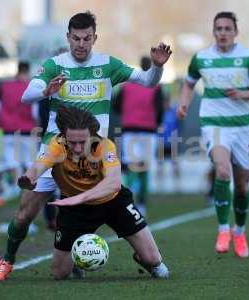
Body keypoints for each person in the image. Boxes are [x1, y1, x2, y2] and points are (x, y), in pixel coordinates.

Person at [0, 11, 171, 280]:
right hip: (56, 152)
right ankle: (7, 259)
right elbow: (27, 95)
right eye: (76, 38)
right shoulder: (54, 65)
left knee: (107, 200)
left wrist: (157, 67)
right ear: (68, 37)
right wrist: (47, 91)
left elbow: (147, 81)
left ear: (94, 38)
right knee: (25, 212)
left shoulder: (108, 65)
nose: (81, 44)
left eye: (86, 38)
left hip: (94, 156)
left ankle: (132, 252)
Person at [12, 106, 169, 279]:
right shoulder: (56, 146)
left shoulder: (105, 146)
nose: (78, 148)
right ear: (64, 136)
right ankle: (77, 264)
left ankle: (143, 257)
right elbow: (38, 167)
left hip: (113, 202)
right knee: (60, 273)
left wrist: (80, 197)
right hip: (75, 208)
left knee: (154, 260)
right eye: (73, 143)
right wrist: (29, 178)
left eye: (83, 142)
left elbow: (114, 183)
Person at [177, 11, 249, 258]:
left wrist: (242, 94)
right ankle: (223, 229)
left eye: (228, 28)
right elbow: (188, 82)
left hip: (243, 127)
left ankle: (239, 231)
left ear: (235, 32)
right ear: (213, 31)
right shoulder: (202, 58)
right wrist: (184, 103)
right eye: (219, 28)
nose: (223, 33)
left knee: (242, 186)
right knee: (222, 170)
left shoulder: (248, 57)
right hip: (214, 124)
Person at [113, 56, 166, 215]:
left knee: (130, 167)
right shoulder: (155, 87)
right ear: (150, 66)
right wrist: (154, 122)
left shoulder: (127, 86)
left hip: (129, 129)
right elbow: (160, 110)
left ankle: (128, 202)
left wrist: (128, 114)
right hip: (148, 131)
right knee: (144, 167)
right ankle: (142, 203)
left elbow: (115, 106)